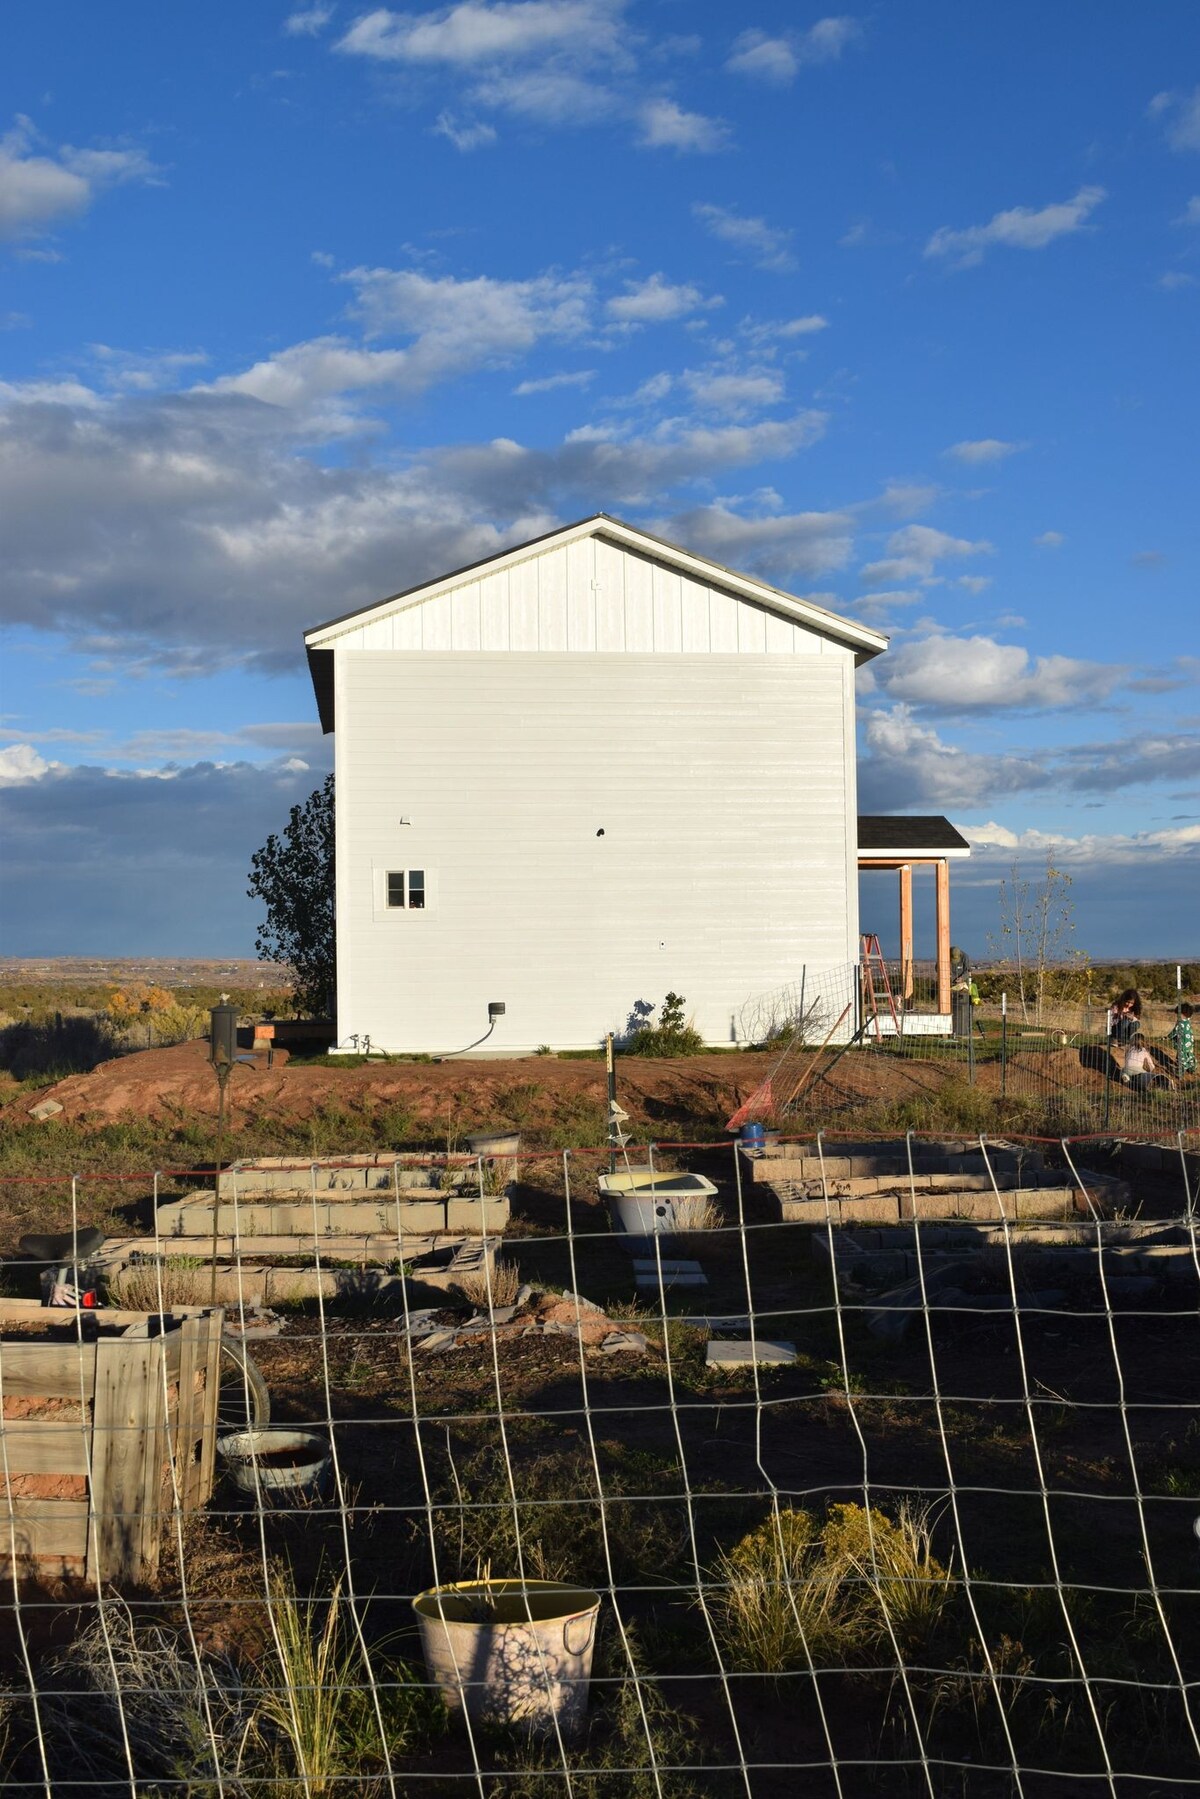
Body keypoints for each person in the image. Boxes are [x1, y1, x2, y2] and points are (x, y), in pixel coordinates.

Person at [1168, 1003, 1196, 1077]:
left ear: (1182, 1014)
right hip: (1189, 1042)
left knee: (1181, 1057)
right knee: (1189, 1055)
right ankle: (1192, 1069)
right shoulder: (1188, 1021)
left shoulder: (1180, 1024)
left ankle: (1180, 1072)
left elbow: (1174, 1032)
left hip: (1182, 1044)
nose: (1177, 1016)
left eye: (1178, 1014)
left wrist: (1168, 1037)